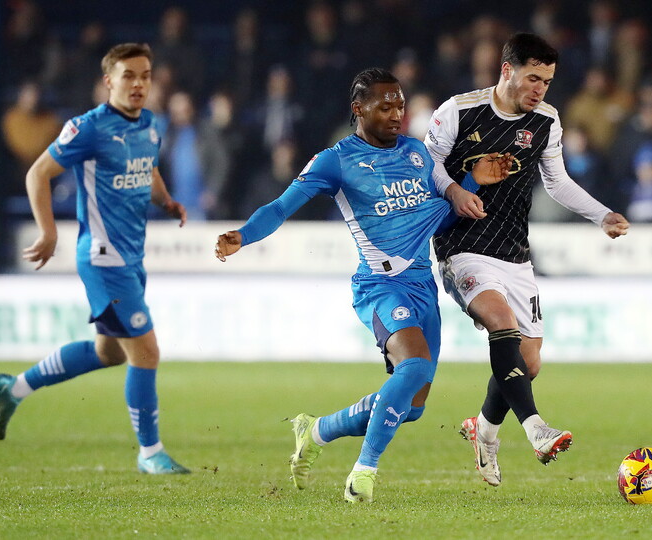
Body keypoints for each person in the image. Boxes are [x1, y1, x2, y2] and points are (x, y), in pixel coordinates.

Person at [214, 68, 511, 503]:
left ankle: (316, 431)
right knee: (414, 367)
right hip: (380, 285)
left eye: (400, 105)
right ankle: (363, 472)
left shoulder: (416, 153)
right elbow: (280, 207)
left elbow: (436, 217)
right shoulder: (335, 160)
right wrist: (243, 235)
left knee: (411, 408)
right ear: (359, 109)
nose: (396, 114)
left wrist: (470, 183)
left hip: (422, 285)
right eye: (385, 106)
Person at [424, 33, 630, 487]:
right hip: (462, 245)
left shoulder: (546, 120)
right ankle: (537, 429)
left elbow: (557, 183)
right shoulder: (458, 111)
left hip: (514, 252)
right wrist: (455, 190)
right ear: (507, 70)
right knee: (502, 323)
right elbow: (425, 165)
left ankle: (483, 430)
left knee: (529, 363)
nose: (540, 89)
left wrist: (601, 215)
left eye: (547, 81)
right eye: (533, 78)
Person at [0, 43, 190, 475]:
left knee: (110, 353)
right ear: (108, 81)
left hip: (131, 257)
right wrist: (48, 231)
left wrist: (166, 200)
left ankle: (14, 388)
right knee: (146, 351)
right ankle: (150, 453)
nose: (138, 84)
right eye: (128, 76)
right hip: (103, 256)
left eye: (145, 75)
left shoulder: (150, 124)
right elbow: (38, 173)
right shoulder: (88, 128)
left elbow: (149, 168)